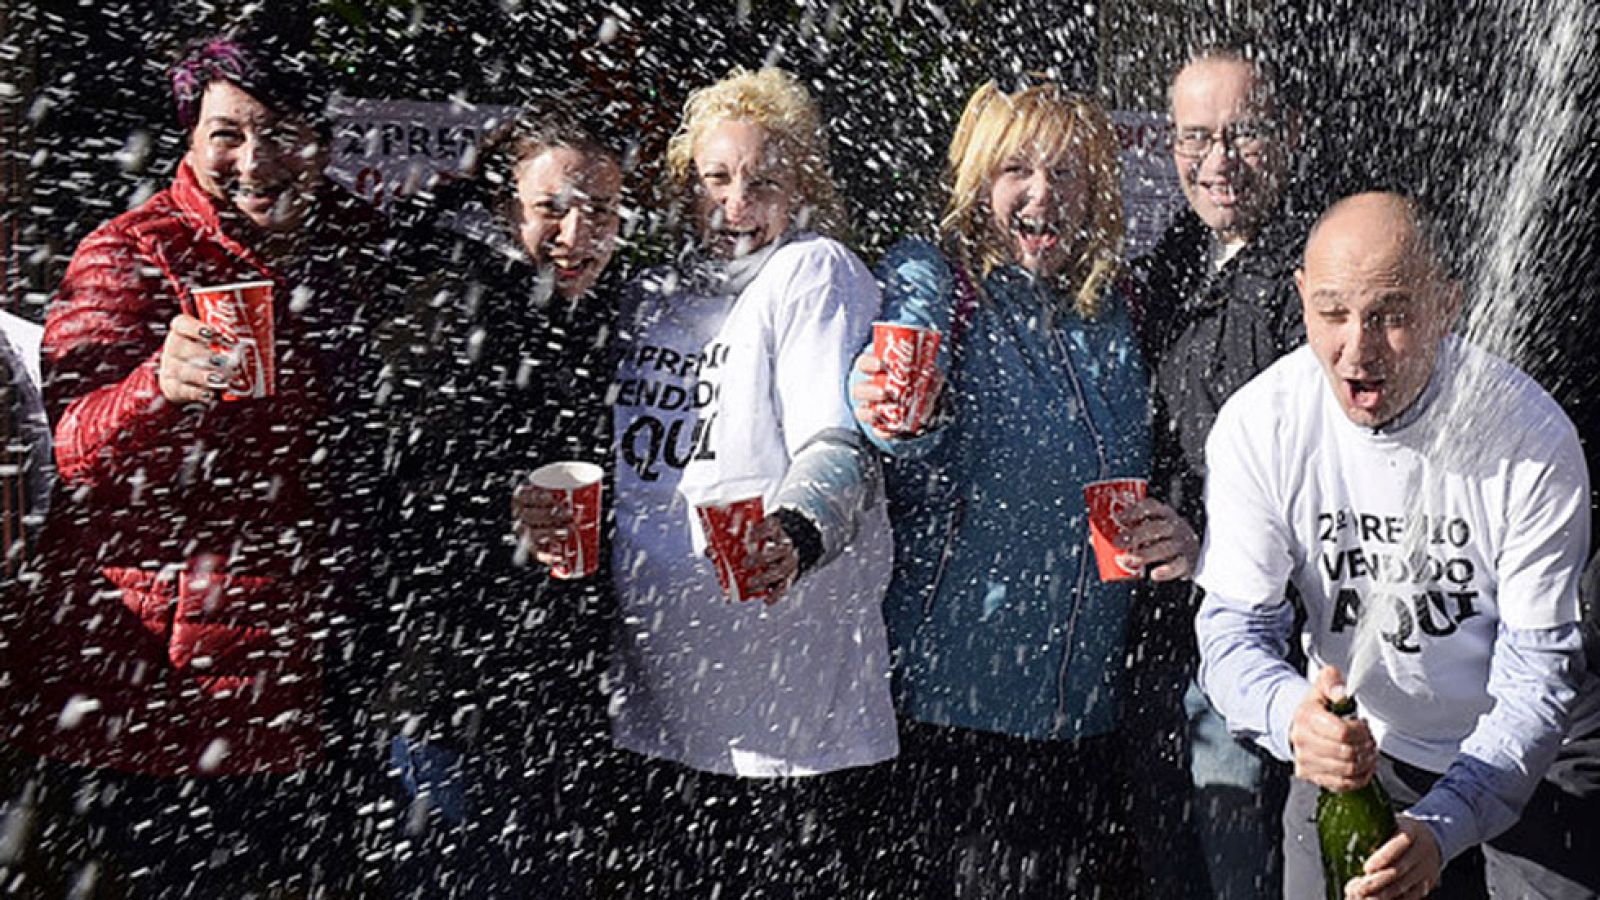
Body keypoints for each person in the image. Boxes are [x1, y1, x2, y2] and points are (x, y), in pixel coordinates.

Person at [0, 33, 393, 897]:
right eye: (228, 133)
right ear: (190, 134)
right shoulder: (128, 252)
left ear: (321, 144)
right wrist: (157, 387)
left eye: (283, 131)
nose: (256, 159)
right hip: (157, 684)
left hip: (302, 661)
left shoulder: (356, 247)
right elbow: (71, 450)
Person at [1194, 191, 1600, 899]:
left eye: (1390, 315)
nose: (1358, 348)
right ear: (1300, 300)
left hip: (1541, 752)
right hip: (1360, 747)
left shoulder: (1532, 439)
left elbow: (1537, 677)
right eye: (1332, 313)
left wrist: (1445, 823)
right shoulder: (1260, 425)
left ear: (1448, 306)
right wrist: (1294, 718)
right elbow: (1231, 634)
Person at [849, 78, 1195, 899]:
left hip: (1087, 721)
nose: (1044, 194)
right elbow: (896, 391)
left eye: (1068, 174)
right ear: (978, 183)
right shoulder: (939, 278)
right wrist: (887, 405)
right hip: (954, 714)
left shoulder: (1119, 307)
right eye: (1017, 170)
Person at [586, 66, 896, 898]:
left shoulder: (813, 273)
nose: (735, 204)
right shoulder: (651, 295)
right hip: (655, 703)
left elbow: (841, 444)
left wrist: (797, 534)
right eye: (714, 180)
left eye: (762, 182)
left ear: (802, 189)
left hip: (786, 717)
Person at [381, 108, 625, 898]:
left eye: (601, 211)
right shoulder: (452, 300)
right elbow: (390, 482)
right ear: (505, 207)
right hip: (450, 694)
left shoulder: (613, 315)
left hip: (567, 701)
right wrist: (500, 509)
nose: (577, 232)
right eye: (552, 207)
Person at [1122, 41, 1308, 900]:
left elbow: (1334, 478)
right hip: (1162, 645)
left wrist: (1212, 547)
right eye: (1196, 137)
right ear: (1170, 147)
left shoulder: (1317, 280)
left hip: (1269, 655)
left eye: (1245, 133)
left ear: (1292, 136)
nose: (1219, 161)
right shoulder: (1167, 268)